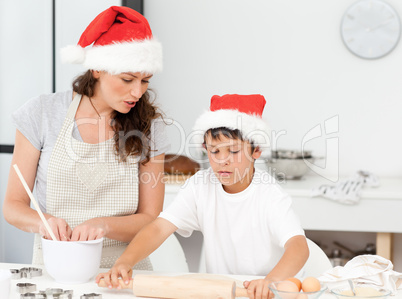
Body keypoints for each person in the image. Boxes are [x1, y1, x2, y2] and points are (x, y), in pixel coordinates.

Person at [96, 94, 309, 299]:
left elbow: (299, 247)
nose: (222, 160)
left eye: (233, 152)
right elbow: (159, 227)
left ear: (256, 151)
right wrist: (125, 262)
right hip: (224, 291)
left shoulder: (269, 195)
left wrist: (270, 280)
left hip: (271, 291)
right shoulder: (200, 186)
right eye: (214, 151)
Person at [3, 6, 168, 270]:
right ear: (97, 69)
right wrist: (42, 222)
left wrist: (104, 225)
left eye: (145, 80)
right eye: (127, 79)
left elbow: (150, 218)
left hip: (124, 271)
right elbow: (13, 206)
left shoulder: (150, 127)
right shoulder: (42, 113)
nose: (137, 92)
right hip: (55, 269)